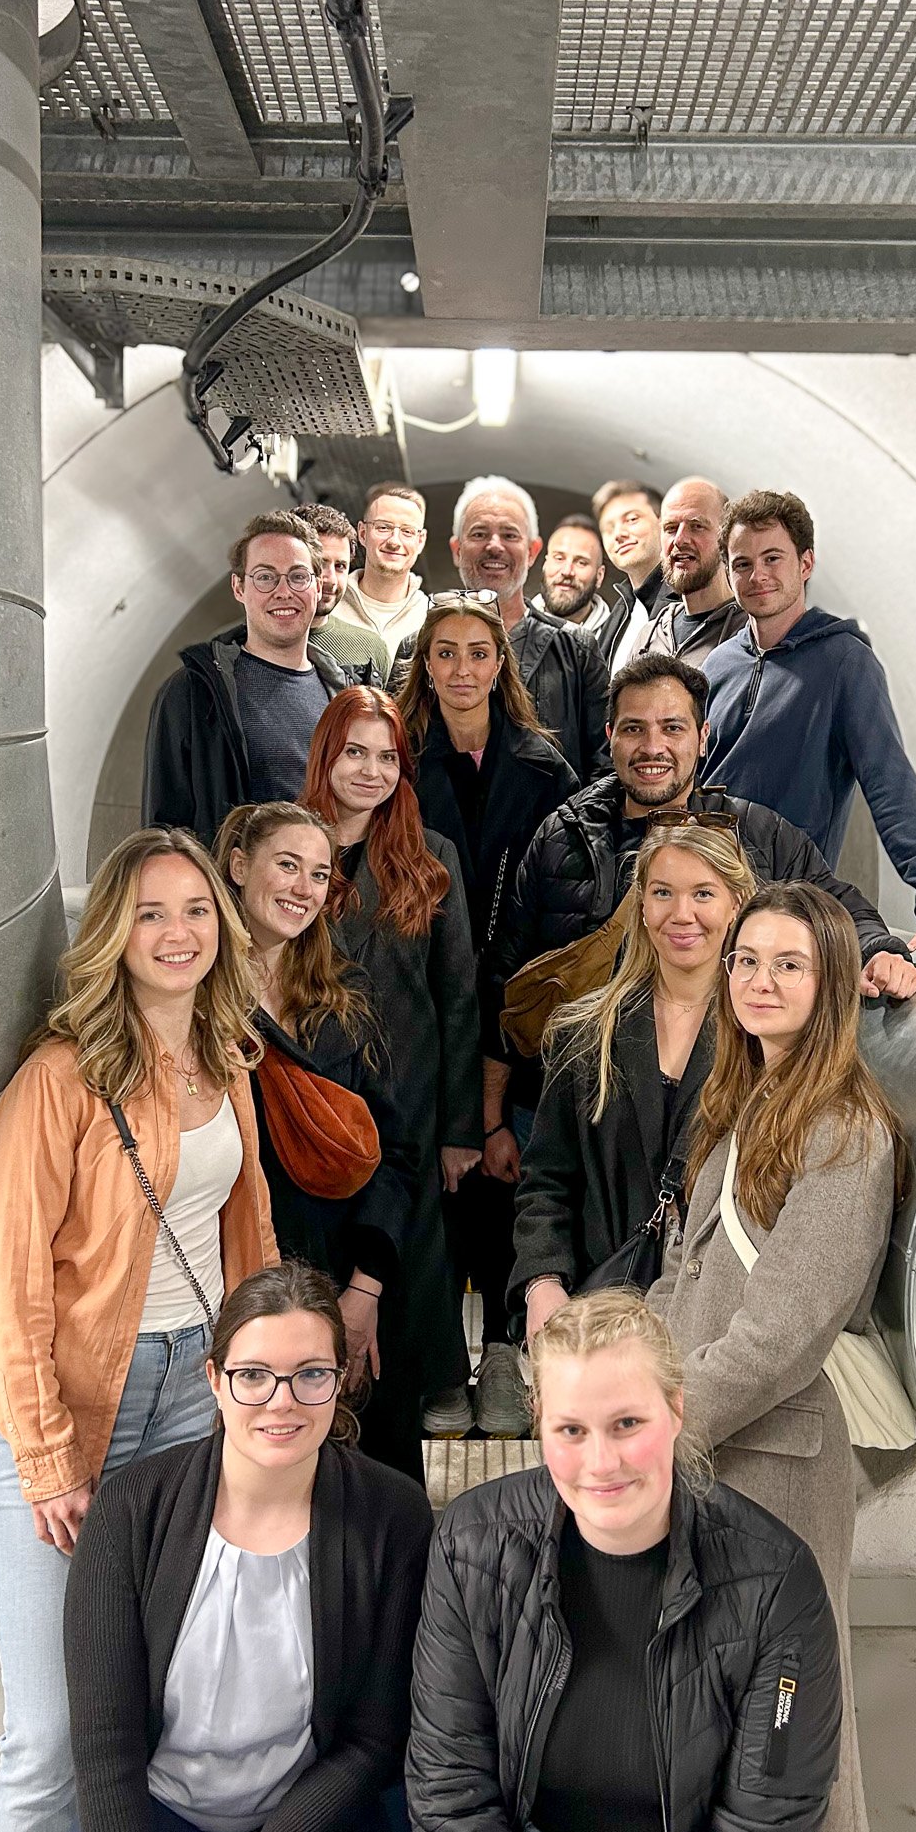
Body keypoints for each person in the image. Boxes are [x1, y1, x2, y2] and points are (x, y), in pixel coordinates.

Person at [0, 827, 280, 1832]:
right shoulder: (59, 1079)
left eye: (195, 908)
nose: (177, 931)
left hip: (191, 1398)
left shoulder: (227, 1057)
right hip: (66, 1405)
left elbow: (247, 1234)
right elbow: (12, 1285)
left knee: (157, 1705)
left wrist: (263, 1380)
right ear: (112, 931)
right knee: (49, 1735)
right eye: (150, 911)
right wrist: (48, 1455)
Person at [388, 1290, 842, 1832]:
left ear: (676, 1410)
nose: (601, 1462)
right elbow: (451, 1794)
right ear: (539, 1426)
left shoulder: (775, 1585)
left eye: (627, 1423)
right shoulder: (473, 1548)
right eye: (571, 1430)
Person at [14, 1261, 434, 1832]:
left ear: (341, 1379)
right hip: (160, 1817)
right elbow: (106, 1751)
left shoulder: (392, 1517)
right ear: (214, 1379)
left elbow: (371, 1745)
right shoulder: (132, 1511)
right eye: (253, 1376)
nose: (281, 1401)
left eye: (310, 1374)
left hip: (313, 1831)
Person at [649, 879, 908, 1832]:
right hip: (707, 1446)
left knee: (790, 1721)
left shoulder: (844, 1129)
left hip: (775, 1465)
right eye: (746, 960)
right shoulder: (745, 1101)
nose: (759, 980)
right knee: (720, 1713)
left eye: (788, 964)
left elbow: (783, 1331)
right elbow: (684, 1277)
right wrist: (633, 1372)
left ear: (830, 981)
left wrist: (656, 1425)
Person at [481, 654, 916, 1196]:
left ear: (703, 736)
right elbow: (506, 976)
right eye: (634, 729)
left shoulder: (754, 834)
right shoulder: (562, 837)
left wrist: (880, 950)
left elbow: (831, 902)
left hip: (711, 1109)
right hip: (573, 1108)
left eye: (672, 728)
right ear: (610, 737)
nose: (653, 747)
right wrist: (492, 1120)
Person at [397, 595, 578, 1438]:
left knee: (507, 1169)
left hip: (517, 994)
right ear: (425, 667)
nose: (463, 668)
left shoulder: (544, 767)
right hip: (426, 989)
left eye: (479, 652)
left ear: (501, 665)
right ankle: (439, 1359)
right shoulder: (399, 761)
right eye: (446, 653)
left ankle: (505, 1354)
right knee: (437, 1171)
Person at [215, 802, 422, 1483]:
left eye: (319, 874)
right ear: (238, 866)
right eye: (286, 865)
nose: (303, 888)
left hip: (348, 1271)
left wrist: (365, 1290)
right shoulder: (198, 1002)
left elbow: (395, 1151)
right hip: (242, 1283)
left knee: (368, 1493)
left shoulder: (345, 992)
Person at [301, 686, 484, 1441]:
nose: (370, 771)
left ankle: (397, 1443)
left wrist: (462, 1129)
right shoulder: (290, 853)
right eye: (355, 752)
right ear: (325, 756)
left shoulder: (430, 858)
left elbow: (460, 994)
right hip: (311, 1104)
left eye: (387, 757)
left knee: (399, 1305)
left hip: (407, 1105)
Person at [512, 825, 753, 1338]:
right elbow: (547, 1182)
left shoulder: (763, 1043)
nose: (681, 914)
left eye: (703, 894)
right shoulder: (585, 1034)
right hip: (601, 1316)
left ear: (736, 905)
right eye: (663, 892)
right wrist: (542, 1282)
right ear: (641, 905)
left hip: (719, 1326)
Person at [702, 489, 916, 943]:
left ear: (805, 563)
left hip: (786, 907)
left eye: (773, 559)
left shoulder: (846, 662)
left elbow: (888, 780)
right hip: (704, 899)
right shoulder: (717, 665)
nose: (757, 575)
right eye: (742, 563)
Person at [142, 511, 363, 849]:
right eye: (265, 577)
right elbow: (163, 832)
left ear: (317, 587)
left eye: (298, 577)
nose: (283, 592)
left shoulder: (342, 695)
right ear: (239, 587)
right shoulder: (193, 693)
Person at [442, 474, 611, 783]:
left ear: (532, 551)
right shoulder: (418, 649)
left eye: (510, 534)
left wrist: (567, 816)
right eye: (479, 533)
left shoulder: (578, 651)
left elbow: (606, 769)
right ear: (457, 549)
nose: (494, 545)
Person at [636, 476, 747, 670]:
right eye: (670, 528)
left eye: (696, 526)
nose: (679, 540)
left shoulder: (749, 633)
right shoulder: (650, 636)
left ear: (727, 538)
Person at [296, 500, 392, 683]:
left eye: (340, 566)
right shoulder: (246, 646)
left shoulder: (371, 649)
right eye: (319, 564)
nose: (331, 579)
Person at [340, 481, 431, 656]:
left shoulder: (431, 618)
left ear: (420, 541)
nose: (394, 541)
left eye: (407, 531)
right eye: (383, 527)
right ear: (362, 533)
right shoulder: (329, 606)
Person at [592, 478, 668, 673]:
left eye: (632, 519)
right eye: (608, 529)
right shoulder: (618, 615)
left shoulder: (689, 598)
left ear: (663, 522)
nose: (618, 534)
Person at [534, 512, 612, 642]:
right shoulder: (511, 628)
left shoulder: (617, 642)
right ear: (545, 564)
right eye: (559, 558)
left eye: (581, 562)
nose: (567, 571)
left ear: (599, 576)